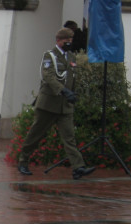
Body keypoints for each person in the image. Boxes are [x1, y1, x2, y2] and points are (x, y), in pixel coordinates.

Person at [17, 28, 92, 179]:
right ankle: (23, 161)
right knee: (36, 134)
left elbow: (72, 78)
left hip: (65, 106)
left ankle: (78, 168)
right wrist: (64, 90)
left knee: (69, 138)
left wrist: (73, 93)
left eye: (71, 41)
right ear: (58, 40)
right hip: (48, 104)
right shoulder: (49, 56)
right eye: (66, 41)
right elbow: (49, 76)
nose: (69, 43)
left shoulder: (71, 56)